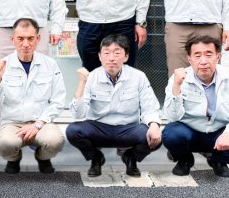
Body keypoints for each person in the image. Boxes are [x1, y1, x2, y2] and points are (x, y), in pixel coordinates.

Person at [67, 34, 162, 177]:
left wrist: (154, 125)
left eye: (117, 53)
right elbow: (78, 114)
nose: (111, 58)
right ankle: (96, 157)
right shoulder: (92, 77)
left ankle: (131, 157)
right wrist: (81, 83)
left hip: (127, 128)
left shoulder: (138, 76)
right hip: (99, 128)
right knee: (73, 131)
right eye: (106, 53)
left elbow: (150, 107)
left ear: (126, 56)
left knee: (156, 136)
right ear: (100, 57)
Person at [162, 35, 229, 178]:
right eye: (197, 55)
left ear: (218, 57)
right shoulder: (178, 79)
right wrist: (177, 87)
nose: (203, 61)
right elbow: (172, 117)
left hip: (219, 133)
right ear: (189, 59)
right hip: (190, 132)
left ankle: (217, 160)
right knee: (171, 134)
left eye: (208, 54)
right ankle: (185, 159)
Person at [0, 18, 66, 174]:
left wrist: (38, 124)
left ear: (38, 39)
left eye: (30, 38)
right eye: (20, 38)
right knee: (4, 144)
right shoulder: (3, 64)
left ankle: (43, 157)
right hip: (13, 124)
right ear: (12, 39)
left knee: (55, 141)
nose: (25, 44)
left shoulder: (50, 64)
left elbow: (58, 101)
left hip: (41, 123)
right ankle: (14, 159)